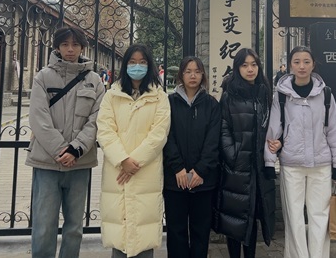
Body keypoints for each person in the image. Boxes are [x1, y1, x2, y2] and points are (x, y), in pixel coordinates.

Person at [26, 26, 105, 258]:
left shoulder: (94, 81)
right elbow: (38, 118)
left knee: (74, 227)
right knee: (43, 225)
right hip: (47, 162)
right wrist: (62, 150)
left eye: (75, 45)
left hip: (80, 163)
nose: (70, 49)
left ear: (82, 48)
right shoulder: (43, 77)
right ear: (57, 47)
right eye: (65, 44)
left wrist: (76, 149)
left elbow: (97, 120)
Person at [265, 45, 336, 258]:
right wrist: (269, 161)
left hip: (321, 165)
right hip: (292, 165)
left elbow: (334, 130)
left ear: (313, 65)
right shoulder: (281, 96)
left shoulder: (325, 94)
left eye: (306, 62)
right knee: (294, 218)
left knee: (320, 216)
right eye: (297, 62)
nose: (302, 66)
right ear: (290, 65)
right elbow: (274, 130)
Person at [97, 44, 171, 258]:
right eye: (132, 62)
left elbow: (159, 134)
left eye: (142, 62)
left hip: (145, 170)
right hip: (117, 170)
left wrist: (133, 162)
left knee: (143, 232)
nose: (137, 66)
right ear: (125, 65)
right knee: (119, 231)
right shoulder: (112, 95)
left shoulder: (159, 97)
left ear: (149, 65)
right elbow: (105, 130)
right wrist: (122, 160)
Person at [212, 48, 276, 258]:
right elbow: (223, 127)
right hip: (237, 167)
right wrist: (233, 155)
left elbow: (273, 126)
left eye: (254, 64)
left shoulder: (264, 93)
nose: (250, 69)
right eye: (245, 65)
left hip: (259, 167)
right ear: (237, 68)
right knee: (235, 218)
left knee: (253, 216)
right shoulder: (230, 94)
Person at [163, 56, 221, 258]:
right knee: (176, 230)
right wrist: (177, 167)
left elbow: (213, 141)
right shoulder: (169, 103)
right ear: (181, 75)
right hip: (175, 179)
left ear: (203, 75)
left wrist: (201, 170)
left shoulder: (211, 104)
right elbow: (166, 137)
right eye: (188, 71)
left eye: (197, 71)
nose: (193, 75)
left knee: (200, 231)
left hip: (202, 180)